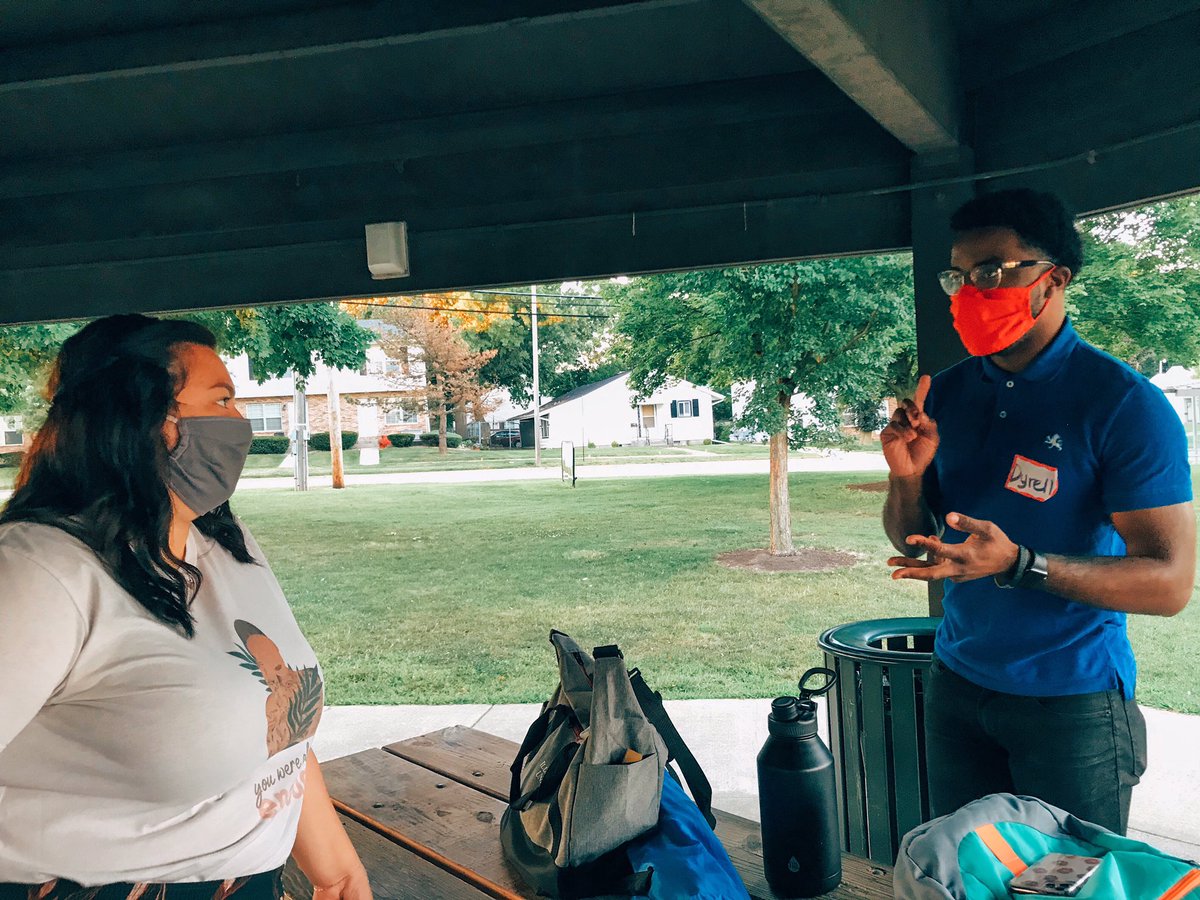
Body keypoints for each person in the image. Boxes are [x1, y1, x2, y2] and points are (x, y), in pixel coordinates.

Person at [0, 315, 372, 899]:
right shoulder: (41, 570)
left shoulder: (224, 543)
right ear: (143, 417)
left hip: (250, 878)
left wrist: (338, 875)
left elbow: (278, 737)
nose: (239, 422)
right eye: (221, 400)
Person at [882, 189, 1195, 835]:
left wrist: (1020, 564)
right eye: (958, 276)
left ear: (1054, 280)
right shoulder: (947, 393)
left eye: (991, 271)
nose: (970, 292)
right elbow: (915, 543)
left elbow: (1169, 584)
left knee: (1066, 878)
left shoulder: (1122, 404)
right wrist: (906, 480)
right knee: (965, 872)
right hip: (957, 685)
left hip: (1072, 703)